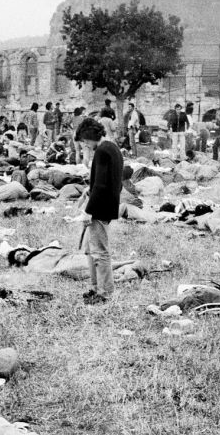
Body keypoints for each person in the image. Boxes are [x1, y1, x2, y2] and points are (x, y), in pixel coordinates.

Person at [75, 117, 123, 305]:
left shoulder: (102, 151)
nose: (85, 144)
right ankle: (95, 288)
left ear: (91, 136)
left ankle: (105, 293)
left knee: (100, 252)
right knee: (90, 250)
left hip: (100, 208)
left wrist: (89, 211)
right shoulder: (112, 147)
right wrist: (90, 189)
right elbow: (110, 181)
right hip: (106, 204)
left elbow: (102, 185)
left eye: (85, 141)